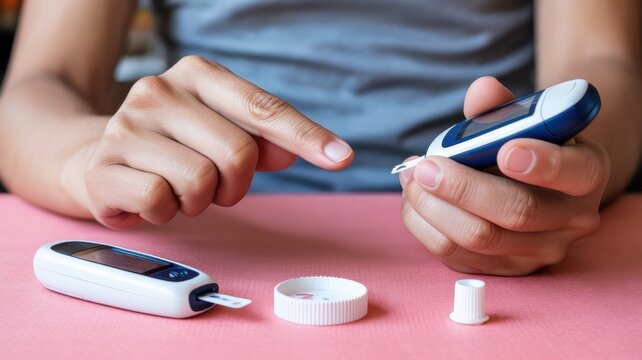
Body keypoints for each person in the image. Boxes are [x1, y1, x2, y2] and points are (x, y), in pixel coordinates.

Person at [0, 0, 640, 276]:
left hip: (491, 213)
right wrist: (93, 159)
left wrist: (570, 174)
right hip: (210, 232)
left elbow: (604, 61)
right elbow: (37, 87)